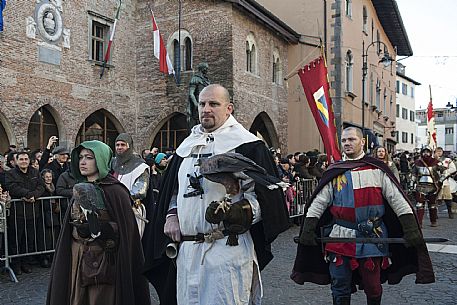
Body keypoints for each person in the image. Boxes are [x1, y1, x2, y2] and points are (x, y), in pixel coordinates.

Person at [142, 84, 289, 305]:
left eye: (214, 104)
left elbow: (267, 199)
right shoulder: (186, 147)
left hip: (227, 250)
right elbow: (174, 191)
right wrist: (171, 214)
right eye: (202, 104)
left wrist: (241, 212)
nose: (206, 109)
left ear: (228, 108)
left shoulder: (247, 145)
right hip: (187, 251)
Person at [291, 127, 435, 305]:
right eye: (344, 140)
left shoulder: (377, 169)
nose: (347, 143)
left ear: (362, 142)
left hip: (372, 236)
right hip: (340, 236)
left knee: (373, 286)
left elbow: (397, 200)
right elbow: (318, 203)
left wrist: (411, 229)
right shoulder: (335, 170)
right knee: (340, 284)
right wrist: (308, 229)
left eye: (351, 139)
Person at [47, 140, 150, 305]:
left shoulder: (116, 191)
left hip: (104, 261)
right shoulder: (80, 188)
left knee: (100, 298)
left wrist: (103, 229)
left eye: (89, 157)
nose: (83, 161)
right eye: (80, 157)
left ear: (101, 159)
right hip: (77, 255)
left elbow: (126, 232)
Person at [5, 150, 45, 274]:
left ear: (29, 160)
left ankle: (26, 262)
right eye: (21, 159)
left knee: (29, 239)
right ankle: (16, 264)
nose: (24, 161)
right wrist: (28, 194)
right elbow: (12, 187)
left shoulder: (35, 172)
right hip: (17, 213)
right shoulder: (10, 174)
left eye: (26, 159)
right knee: (16, 239)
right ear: (16, 161)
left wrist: (34, 195)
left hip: (33, 212)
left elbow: (41, 186)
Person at [111, 133, 150, 237]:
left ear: (129, 146)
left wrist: (121, 198)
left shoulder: (140, 167)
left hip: (131, 210)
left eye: (123, 145)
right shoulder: (112, 163)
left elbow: (141, 190)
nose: (119, 147)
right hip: (112, 209)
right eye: (117, 145)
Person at [411, 147, 442, 227]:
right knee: (419, 205)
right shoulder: (417, 162)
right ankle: (419, 223)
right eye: (424, 152)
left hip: (432, 186)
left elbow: (443, 171)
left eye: (427, 152)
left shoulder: (435, 162)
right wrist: (411, 185)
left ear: (430, 152)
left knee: (432, 205)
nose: (425, 154)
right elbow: (413, 175)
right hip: (420, 186)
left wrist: (441, 180)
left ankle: (433, 221)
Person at [434, 147, 456, 219]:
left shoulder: (447, 160)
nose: (439, 153)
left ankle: (450, 212)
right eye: (437, 151)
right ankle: (434, 213)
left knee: (448, 197)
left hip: (445, 181)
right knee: (435, 198)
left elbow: (453, 168)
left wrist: (446, 172)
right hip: (435, 181)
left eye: (440, 151)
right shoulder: (432, 160)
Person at [187, 62, 210, 130]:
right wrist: (196, 104)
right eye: (205, 68)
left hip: (206, 103)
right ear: (202, 68)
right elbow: (191, 94)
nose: (206, 70)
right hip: (199, 102)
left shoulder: (206, 80)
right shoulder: (195, 78)